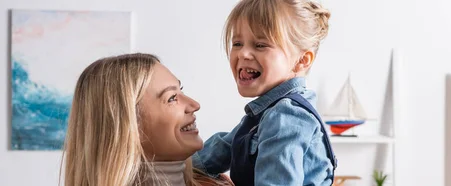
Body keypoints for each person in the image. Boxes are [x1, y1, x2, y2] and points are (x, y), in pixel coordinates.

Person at [192, 0, 337, 185]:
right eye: (237, 43)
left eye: (260, 45)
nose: (243, 53)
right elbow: (221, 149)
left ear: (302, 60)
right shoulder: (266, 114)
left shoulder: (286, 116)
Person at [61, 53, 234, 186]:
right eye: (172, 98)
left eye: (181, 90)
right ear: (129, 127)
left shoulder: (215, 182)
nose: (194, 104)